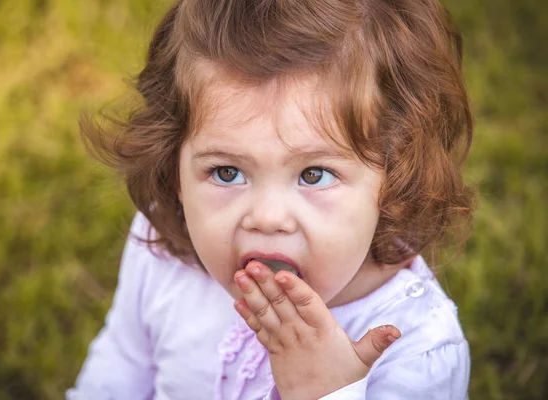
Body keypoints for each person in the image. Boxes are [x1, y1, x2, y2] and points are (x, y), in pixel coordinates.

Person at [67, 0, 475, 398]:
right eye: (227, 172)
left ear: (393, 180)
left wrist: (329, 393)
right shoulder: (165, 255)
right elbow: (123, 361)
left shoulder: (414, 347)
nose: (266, 218)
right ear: (174, 171)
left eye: (314, 175)